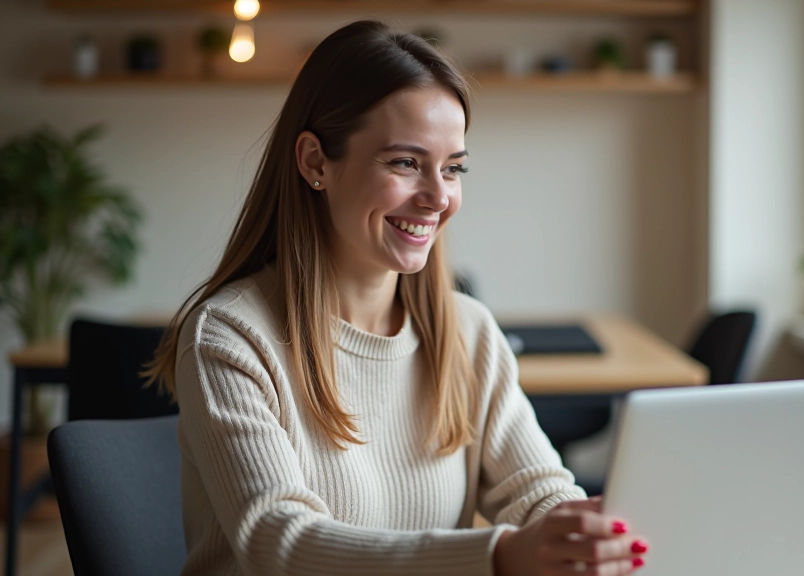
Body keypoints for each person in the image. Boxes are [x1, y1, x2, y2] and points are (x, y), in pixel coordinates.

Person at [145, 20, 648, 576]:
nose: (438, 198)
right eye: (406, 163)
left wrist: (578, 534)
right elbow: (279, 544)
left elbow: (536, 491)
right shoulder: (229, 335)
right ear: (315, 162)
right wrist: (500, 555)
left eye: (452, 168)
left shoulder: (468, 331)